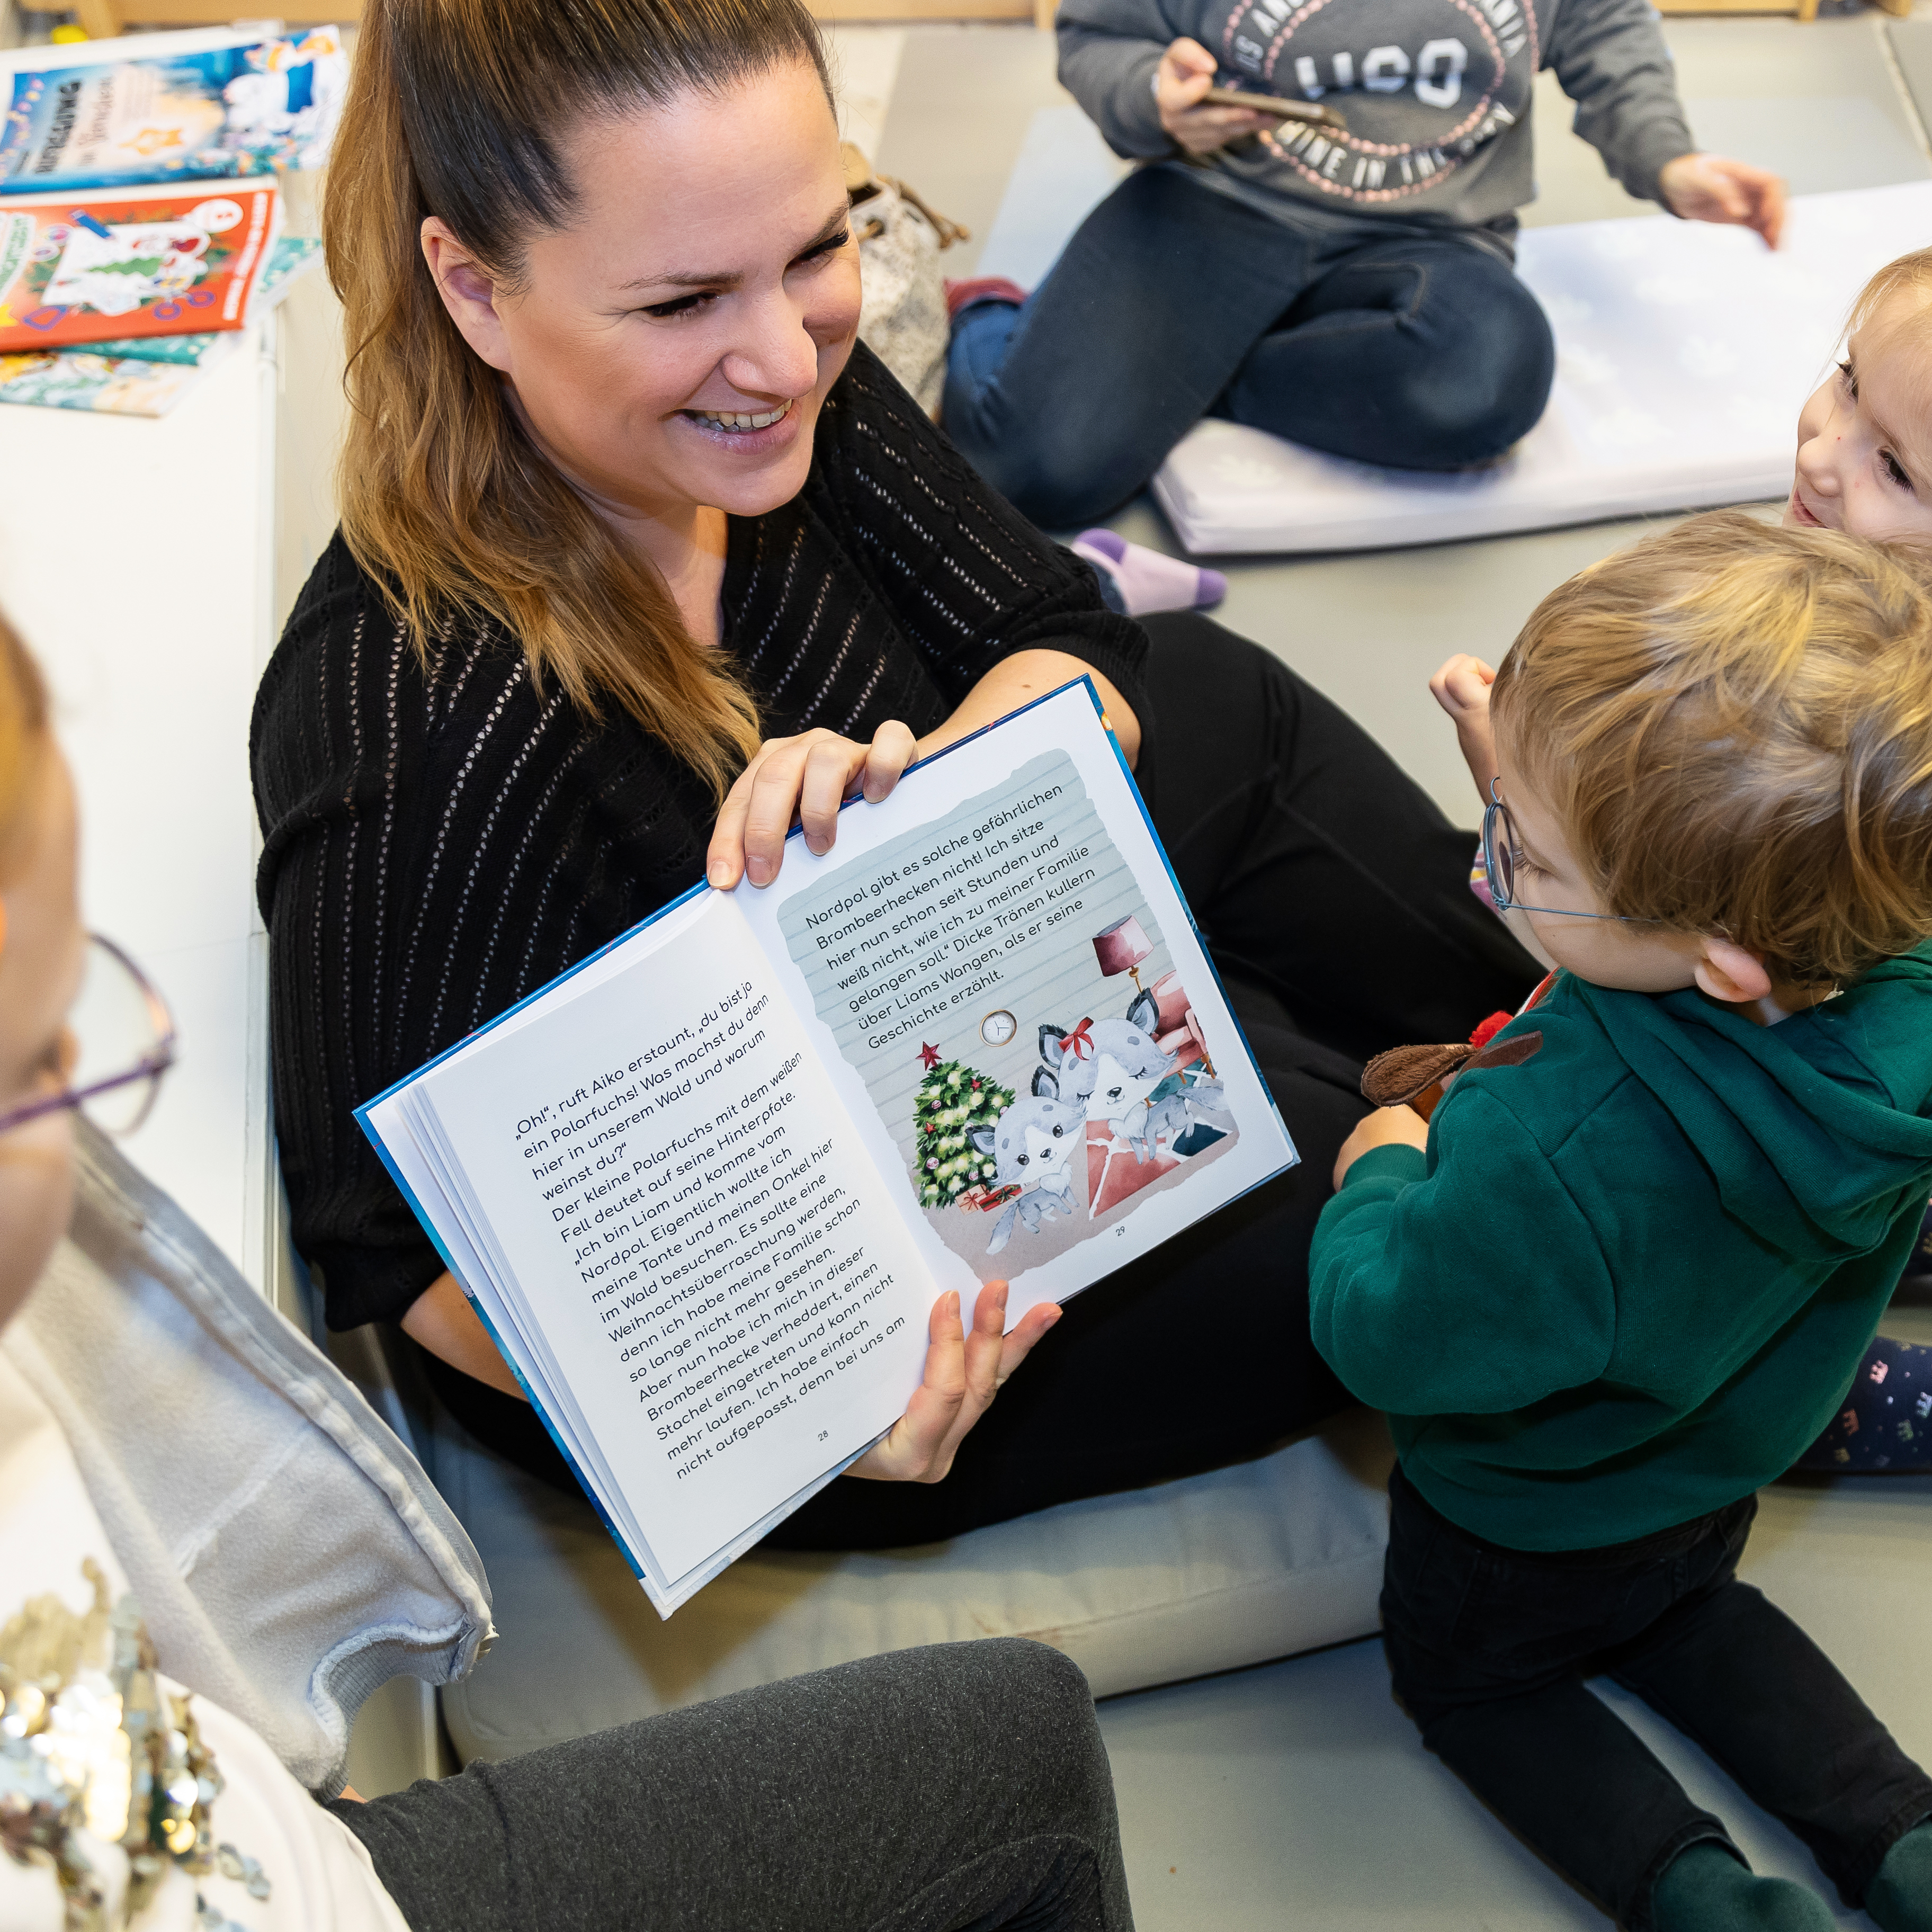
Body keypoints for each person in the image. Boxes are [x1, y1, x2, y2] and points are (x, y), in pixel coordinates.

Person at [251, 0, 1541, 1551]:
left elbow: (1056, 629)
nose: (788, 353)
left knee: (1215, 695)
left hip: (916, 1015)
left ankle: (1627, 1034)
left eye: (815, 248)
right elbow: (383, 1260)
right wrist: (819, 1410)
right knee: (1383, 1212)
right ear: (473, 288)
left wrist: (929, 807)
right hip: (780, 1288)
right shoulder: (396, 726)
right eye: (682, 301)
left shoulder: (780, 384)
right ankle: (1661, 1214)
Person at [0, 606, 1137, 1932]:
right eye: (34, 1066)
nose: (85, 1098)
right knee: (1022, 1748)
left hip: (251, 1828)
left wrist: (245, 1793)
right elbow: (370, 1233)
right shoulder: (383, 709)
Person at [1311, 512, 1932, 1932]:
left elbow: (1390, 1333)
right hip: (1723, 1456)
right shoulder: (1896, 969)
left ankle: (1703, 1899)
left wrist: (1383, 1169)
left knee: (1480, 1685)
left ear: (1716, 954)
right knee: (1692, 1612)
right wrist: (1549, 765)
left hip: (1523, 1517)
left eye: (1520, 846)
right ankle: (1903, 1839)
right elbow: (1652, 877)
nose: (1491, 864)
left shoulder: (1560, 1145)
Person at [1431, 243, 1932, 1471]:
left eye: (1897, 468)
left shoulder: (1866, 770)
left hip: (1807, 1086)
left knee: (1746, 1277)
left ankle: (1826, 1391)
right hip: (1836, 1046)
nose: (1822, 451)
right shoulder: (1847, 609)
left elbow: (1681, 959)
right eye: (1847, 384)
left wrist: (1534, 820)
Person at [940, 0, 1787, 529]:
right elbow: (1100, 32)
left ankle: (1192, 369)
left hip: (1433, 239)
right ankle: (993, 313)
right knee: (1025, 476)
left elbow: (1605, 25)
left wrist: (1669, 161)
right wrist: (1153, 100)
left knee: (1487, 380)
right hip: (1214, 206)